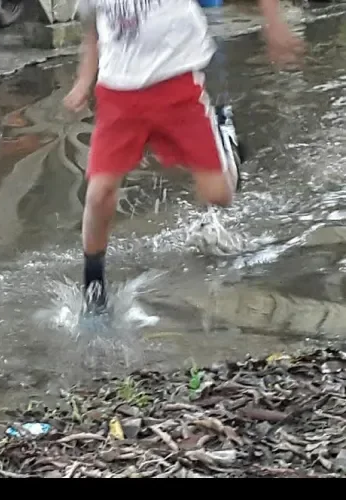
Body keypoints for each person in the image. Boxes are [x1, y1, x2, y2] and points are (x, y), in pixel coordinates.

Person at [63, 0, 305, 315]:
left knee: (218, 196)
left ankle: (222, 133)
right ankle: (94, 288)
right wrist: (84, 81)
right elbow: (92, 33)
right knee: (99, 193)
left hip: (178, 87)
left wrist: (274, 23)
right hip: (118, 96)